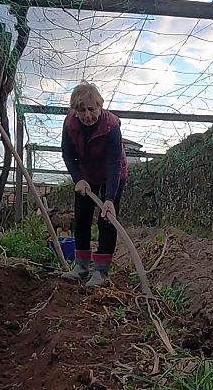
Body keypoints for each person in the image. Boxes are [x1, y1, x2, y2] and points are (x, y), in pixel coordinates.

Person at [59, 80, 128, 288]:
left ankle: (101, 272)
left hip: (111, 174)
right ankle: (81, 267)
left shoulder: (111, 125)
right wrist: (78, 178)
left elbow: (114, 163)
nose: (87, 115)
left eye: (91, 109)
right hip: (86, 175)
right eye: (82, 110)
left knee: (107, 220)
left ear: (100, 106)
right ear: (75, 111)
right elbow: (68, 154)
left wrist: (109, 200)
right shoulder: (70, 124)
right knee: (81, 218)